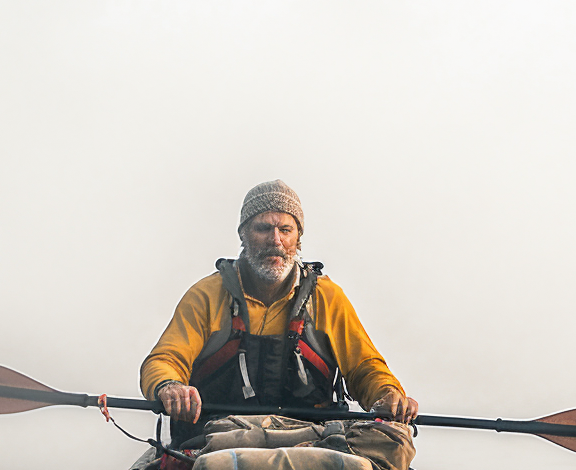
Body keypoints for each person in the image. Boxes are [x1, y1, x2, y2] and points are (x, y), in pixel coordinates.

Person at [141, 180, 418, 437]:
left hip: (310, 443)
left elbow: (363, 367)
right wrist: (169, 386)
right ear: (243, 234)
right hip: (216, 440)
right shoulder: (205, 296)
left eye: (285, 230)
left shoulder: (328, 297)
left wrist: (387, 393)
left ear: (298, 239)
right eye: (263, 228)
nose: (275, 240)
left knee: (395, 441)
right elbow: (164, 360)